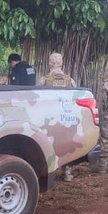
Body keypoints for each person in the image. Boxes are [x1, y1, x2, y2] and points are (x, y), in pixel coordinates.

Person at [43, 52, 77, 181]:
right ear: (61, 63)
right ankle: (67, 173)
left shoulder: (44, 80)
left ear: (50, 63)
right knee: (66, 144)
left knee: (48, 143)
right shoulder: (70, 80)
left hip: (49, 118)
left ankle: (48, 172)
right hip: (65, 117)